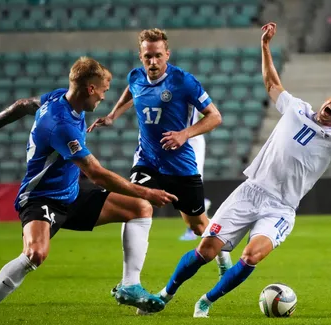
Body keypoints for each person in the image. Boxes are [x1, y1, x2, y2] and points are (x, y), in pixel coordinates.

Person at [135, 22, 331, 318]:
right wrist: (265, 46)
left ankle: (206, 301)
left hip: (281, 208)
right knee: (205, 250)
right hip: (250, 191)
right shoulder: (295, 108)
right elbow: (272, 83)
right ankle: (165, 294)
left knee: (250, 256)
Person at [0, 57, 178, 325]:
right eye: (103, 90)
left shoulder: (56, 98)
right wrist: (147, 192)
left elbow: (22, 105)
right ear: (90, 89)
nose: (104, 96)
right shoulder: (60, 123)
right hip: (42, 198)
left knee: (139, 208)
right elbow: (97, 173)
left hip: (72, 194)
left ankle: (130, 286)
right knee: (35, 255)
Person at [86, 28, 233, 300]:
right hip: (147, 162)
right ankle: (129, 282)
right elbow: (131, 91)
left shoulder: (184, 82)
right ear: (140, 56)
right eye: (147, 57)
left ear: (168, 54)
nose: (152, 63)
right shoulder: (136, 76)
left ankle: (223, 260)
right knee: (135, 207)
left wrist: (184, 134)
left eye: (157, 56)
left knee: (199, 225)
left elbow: (215, 117)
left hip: (181, 168)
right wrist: (113, 115)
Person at [179, 108, 212, 241]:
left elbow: (212, 115)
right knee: (180, 187)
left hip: (193, 141)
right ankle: (201, 204)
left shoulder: (191, 89)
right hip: (176, 140)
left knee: (192, 182)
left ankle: (193, 228)